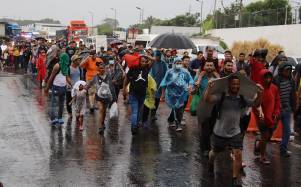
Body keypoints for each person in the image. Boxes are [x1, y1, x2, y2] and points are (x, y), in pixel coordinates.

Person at [204, 75, 263, 187]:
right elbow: (207, 99)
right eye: (233, 84)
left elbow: (256, 104)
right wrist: (209, 88)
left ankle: (235, 179)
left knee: (238, 153)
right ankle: (211, 164)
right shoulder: (221, 97)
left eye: (237, 84)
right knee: (214, 153)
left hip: (235, 132)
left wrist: (260, 93)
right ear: (229, 85)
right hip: (219, 132)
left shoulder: (241, 99)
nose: (235, 86)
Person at [191, 61, 219, 155]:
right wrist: (196, 86)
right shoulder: (199, 78)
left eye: (211, 65)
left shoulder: (217, 78)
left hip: (214, 106)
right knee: (204, 128)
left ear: (214, 67)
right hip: (202, 106)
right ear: (204, 67)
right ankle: (206, 149)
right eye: (207, 65)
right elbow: (193, 92)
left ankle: (207, 145)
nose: (209, 67)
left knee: (211, 128)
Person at [253, 69, 281, 164]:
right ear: (262, 77)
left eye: (269, 77)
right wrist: (259, 114)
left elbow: (277, 101)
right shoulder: (258, 88)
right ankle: (262, 156)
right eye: (266, 77)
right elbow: (255, 103)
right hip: (261, 117)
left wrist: (276, 113)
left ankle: (258, 144)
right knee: (265, 136)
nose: (268, 79)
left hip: (272, 117)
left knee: (269, 135)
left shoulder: (274, 88)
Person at [160, 57, 194, 132]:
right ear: (174, 63)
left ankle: (177, 124)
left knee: (179, 109)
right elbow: (164, 83)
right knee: (177, 109)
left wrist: (190, 86)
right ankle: (175, 122)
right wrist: (162, 94)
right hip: (171, 95)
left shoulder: (185, 72)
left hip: (182, 94)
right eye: (177, 63)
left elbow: (191, 80)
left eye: (180, 63)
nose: (178, 64)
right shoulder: (169, 72)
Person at [123, 55, 153, 135]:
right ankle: (133, 127)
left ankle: (136, 125)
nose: (144, 63)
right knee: (135, 111)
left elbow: (153, 60)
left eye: (145, 61)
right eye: (142, 61)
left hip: (142, 93)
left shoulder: (147, 68)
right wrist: (124, 89)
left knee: (139, 110)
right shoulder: (133, 68)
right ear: (138, 61)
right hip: (133, 93)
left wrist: (145, 55)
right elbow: (126, 79)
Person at [273, 62, 297, 157]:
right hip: (277, 110)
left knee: (287, 132)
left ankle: (283, 150)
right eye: (286, 70)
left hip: (287, 110)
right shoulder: (276, 80)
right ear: (281, 71)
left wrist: (294, 107)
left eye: (289, 70)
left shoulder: (292, 81)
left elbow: (293, 95)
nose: (288, 72)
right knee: (270, 130)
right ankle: (259, 145)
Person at [87, 62, 116, 134]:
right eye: (100, 68)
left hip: (107, 97)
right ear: (98, 69)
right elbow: (90, 83)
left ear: (105, 69)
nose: (102, 69)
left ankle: (102, 123)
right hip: (99, 96)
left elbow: (112, 86)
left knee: (104, 112)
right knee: (101, 109)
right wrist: (84, 88)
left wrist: (114, 97)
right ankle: (100, 127)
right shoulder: (95, 77)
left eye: (103, 68)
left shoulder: (109, 76)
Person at [45, 49, 69, 125]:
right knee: (58, 103)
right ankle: (56, 118)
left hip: (60, 87)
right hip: (60, 87)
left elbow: (66, 77)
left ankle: (57, 118)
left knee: (58, 104)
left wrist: (47, 88)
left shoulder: (61, 66)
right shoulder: (61, 66)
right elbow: (52, 78)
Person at [149, 51, 168, 120]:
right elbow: (149, 72)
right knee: (150, 98)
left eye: (159, 56)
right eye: (156, 56)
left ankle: (153, 114)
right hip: (151, 83)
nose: (157, 57)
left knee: (157, 99)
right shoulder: (151, 62)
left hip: (160, 84)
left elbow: (166, 73)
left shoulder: (163, 63)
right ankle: (148, 112)